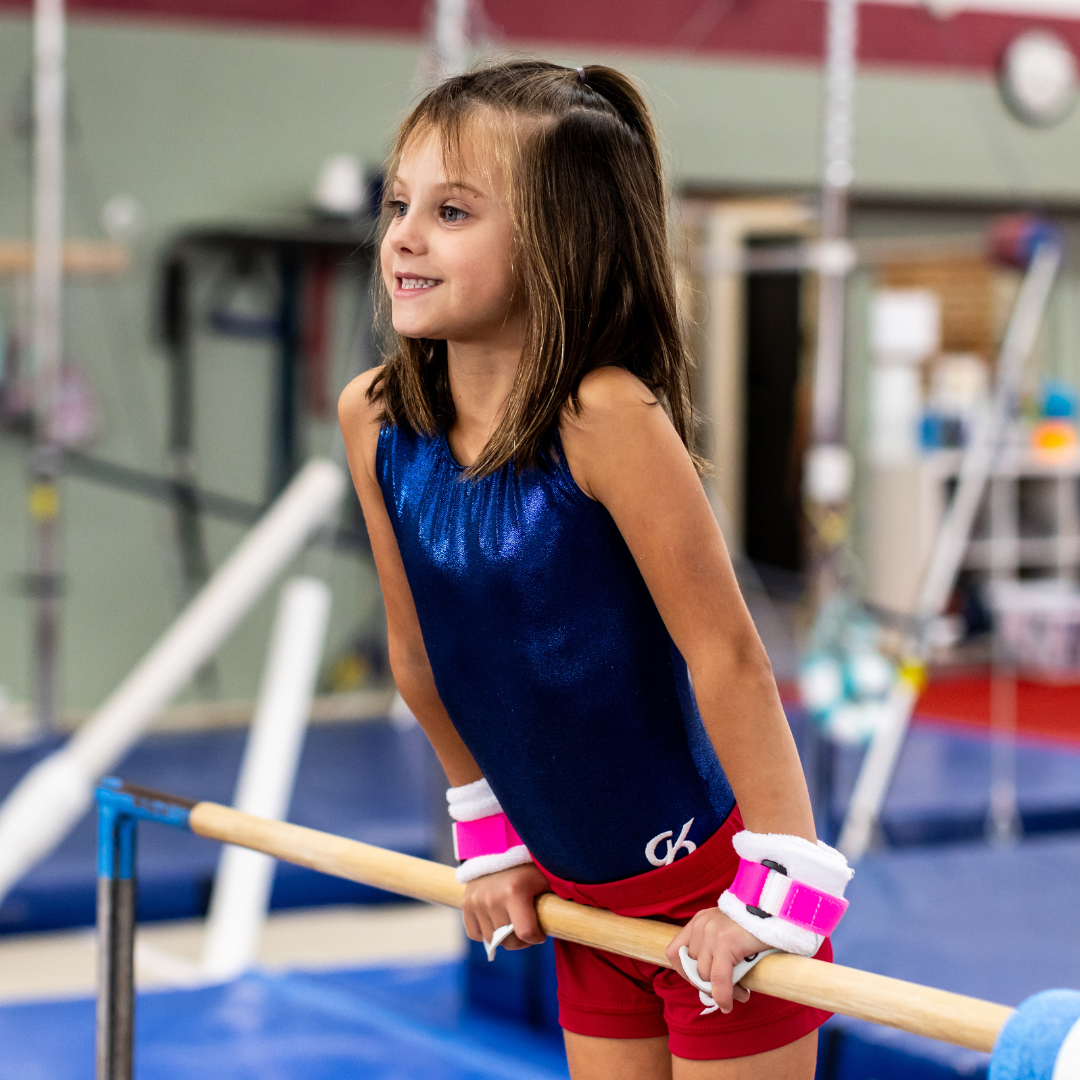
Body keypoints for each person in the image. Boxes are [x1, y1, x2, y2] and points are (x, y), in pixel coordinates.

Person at [339, 59, 852, 1080]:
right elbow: (419, 658)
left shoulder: (605, 416)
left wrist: (781, 891)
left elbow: (730, 660)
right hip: (584, 899)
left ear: (554, 241)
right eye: (400, 203)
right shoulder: (379, 419)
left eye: (451, 211)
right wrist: (488, 833)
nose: (403, 234)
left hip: (711, 885)